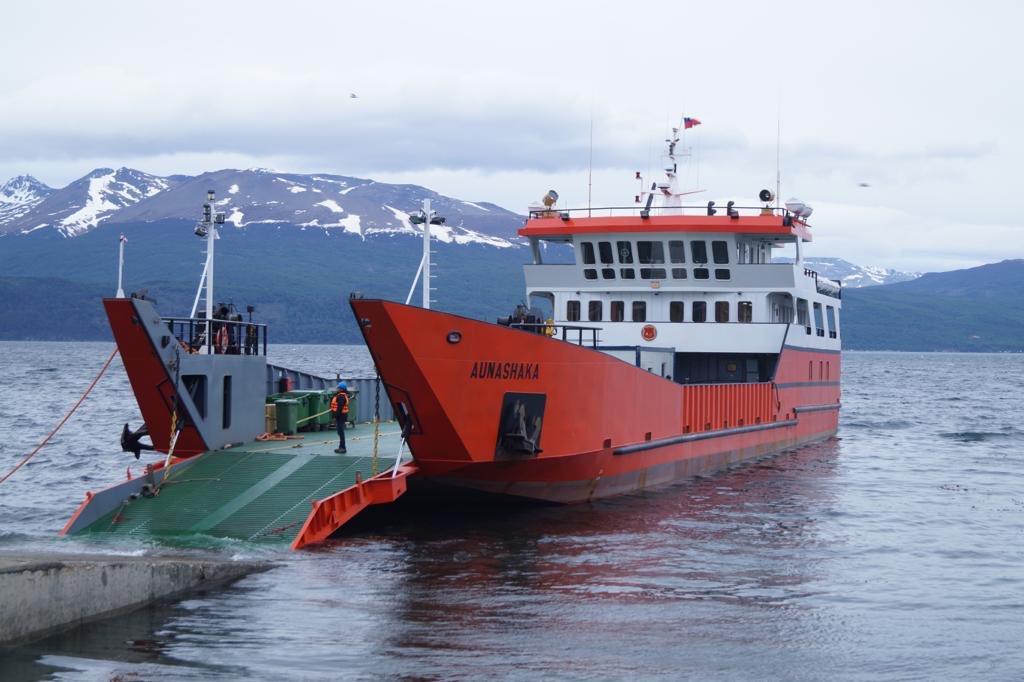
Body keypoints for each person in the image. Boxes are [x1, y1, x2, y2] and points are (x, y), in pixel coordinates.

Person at [330, 382, 350, 453]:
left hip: (341, 416)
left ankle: (342, 448)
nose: (337, 389)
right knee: (339, 431)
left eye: (338, 388)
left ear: (341, 389)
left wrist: (335, 417)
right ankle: (341, 447)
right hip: (341, 416)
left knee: (340, 432)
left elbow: (340, 408)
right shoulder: (340, 395)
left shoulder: (341, 396)